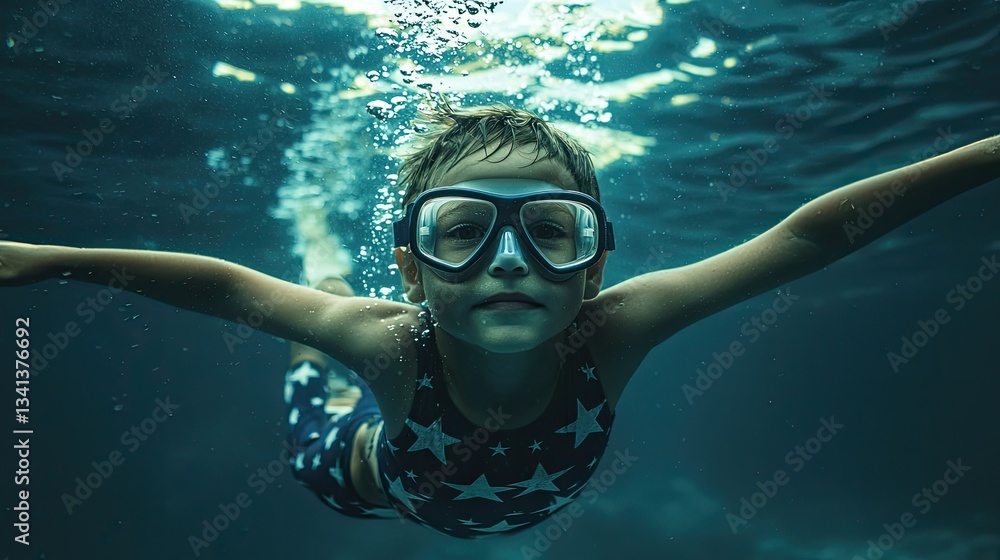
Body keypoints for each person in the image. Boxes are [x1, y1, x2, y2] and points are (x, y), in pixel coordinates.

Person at [1, 103, 998, 539]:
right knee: (312, 334)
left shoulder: (615, 326)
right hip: (351, 473)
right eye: (462, 231)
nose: (511, 258)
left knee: (320, 318)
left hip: (482, 485)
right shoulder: (387, 339)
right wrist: (47, 259)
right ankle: (312, 237)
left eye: (552, 231)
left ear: (597, 257)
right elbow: (223, 287)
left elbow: (809, 235)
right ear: (414, 263)